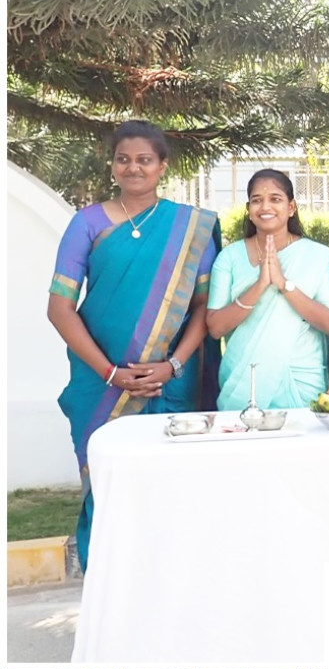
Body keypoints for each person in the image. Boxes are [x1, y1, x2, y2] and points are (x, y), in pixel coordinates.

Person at [46, 119, 220, 570]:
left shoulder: (190, 227)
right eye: (124, 159)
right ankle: (107, 597)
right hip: (100, 386)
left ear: (162, 166)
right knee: (108, 494)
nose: (133, 168)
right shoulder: (86, 223)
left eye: (144, 160)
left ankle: (171, 596)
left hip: (168, 387)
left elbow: (203, 308)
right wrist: (110, 372)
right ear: (113, 164)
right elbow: (59, 308)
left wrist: (174, 366)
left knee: (171, 493)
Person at [206, 168, 329, 410]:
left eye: (275, 199)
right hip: (244, 381)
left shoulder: (315, 256)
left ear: (291, 207)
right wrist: (260, 285)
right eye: (257, 200)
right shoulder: (230, 257)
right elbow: (215, 327)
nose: (265, 206)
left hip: (300, 381)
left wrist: (283, 284)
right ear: (249, 209)